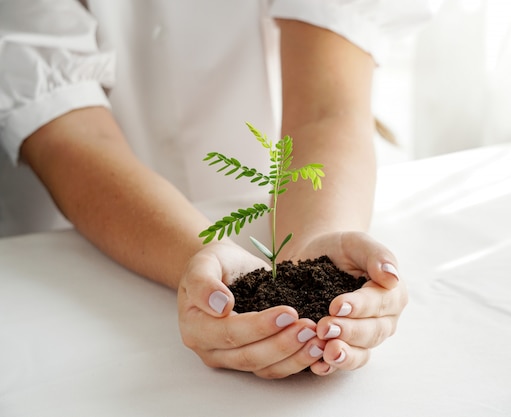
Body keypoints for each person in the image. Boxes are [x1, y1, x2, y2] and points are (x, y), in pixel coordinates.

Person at [0, 1, 430, 379]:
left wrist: (320, 244)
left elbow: (326, 106)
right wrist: (203, 267)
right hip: (93, 241)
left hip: (296, 206)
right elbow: (68, 133)